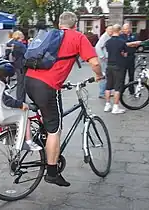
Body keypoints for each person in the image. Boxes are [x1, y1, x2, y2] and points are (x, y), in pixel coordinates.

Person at [25, 12, 103, 187]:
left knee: (48, 118)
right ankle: (52, 173)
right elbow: (95, 63)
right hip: (46, 86)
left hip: (29, 80)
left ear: (60, 23)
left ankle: (44, 143)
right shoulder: (77, 37)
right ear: (75, 24)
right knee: (55, 129)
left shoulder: (49, 35)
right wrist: (99, 76)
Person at [0, 58, 42, 151]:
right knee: (25, 117)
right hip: (4, 114)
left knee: (19, 114)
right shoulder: (0, 87)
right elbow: (8, 101)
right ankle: (28, 142)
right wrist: (21, 104)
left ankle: (11, 137)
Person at [104, 24, 127, 114]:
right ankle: (115, 107)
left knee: (108, 86)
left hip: (109, 65)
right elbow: (125, 54)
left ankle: (107, 105)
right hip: (118, 66)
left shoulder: (108, 42)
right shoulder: (122, 42)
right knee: (117, 87)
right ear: (120, 31)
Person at [120, 23, 141, 94]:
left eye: (127, 28)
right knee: (122, 75)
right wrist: (132, 43)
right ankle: (121, 90)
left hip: (131, 57)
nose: (126, 30)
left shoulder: (135, 35)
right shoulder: (121, 36)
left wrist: (130, 44)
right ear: (122, 29)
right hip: (123, 58)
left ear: (130, 28)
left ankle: (131, 90)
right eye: (125, 29)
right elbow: (122, 45)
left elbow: (137, 45)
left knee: (131, 75)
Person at [95, 25, 113, 99]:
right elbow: (97, 47)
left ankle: (106, 92)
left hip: (107, 59)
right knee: (104, 75)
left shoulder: (109, 36)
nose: (111, 31)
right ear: (106, 30)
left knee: (108, 75)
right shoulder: (104, 36)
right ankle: (102, 93)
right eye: (109, 30)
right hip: (104, 59)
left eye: (112, 30)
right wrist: (102, 56)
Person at [11, 31, 27, 104]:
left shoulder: (14, 44)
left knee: (20, 82)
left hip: (17, 64)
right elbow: (27, 53)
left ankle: (20, 98)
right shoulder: (20, 45)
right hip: (21, 65)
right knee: (21, 83)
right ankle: (20, 99)